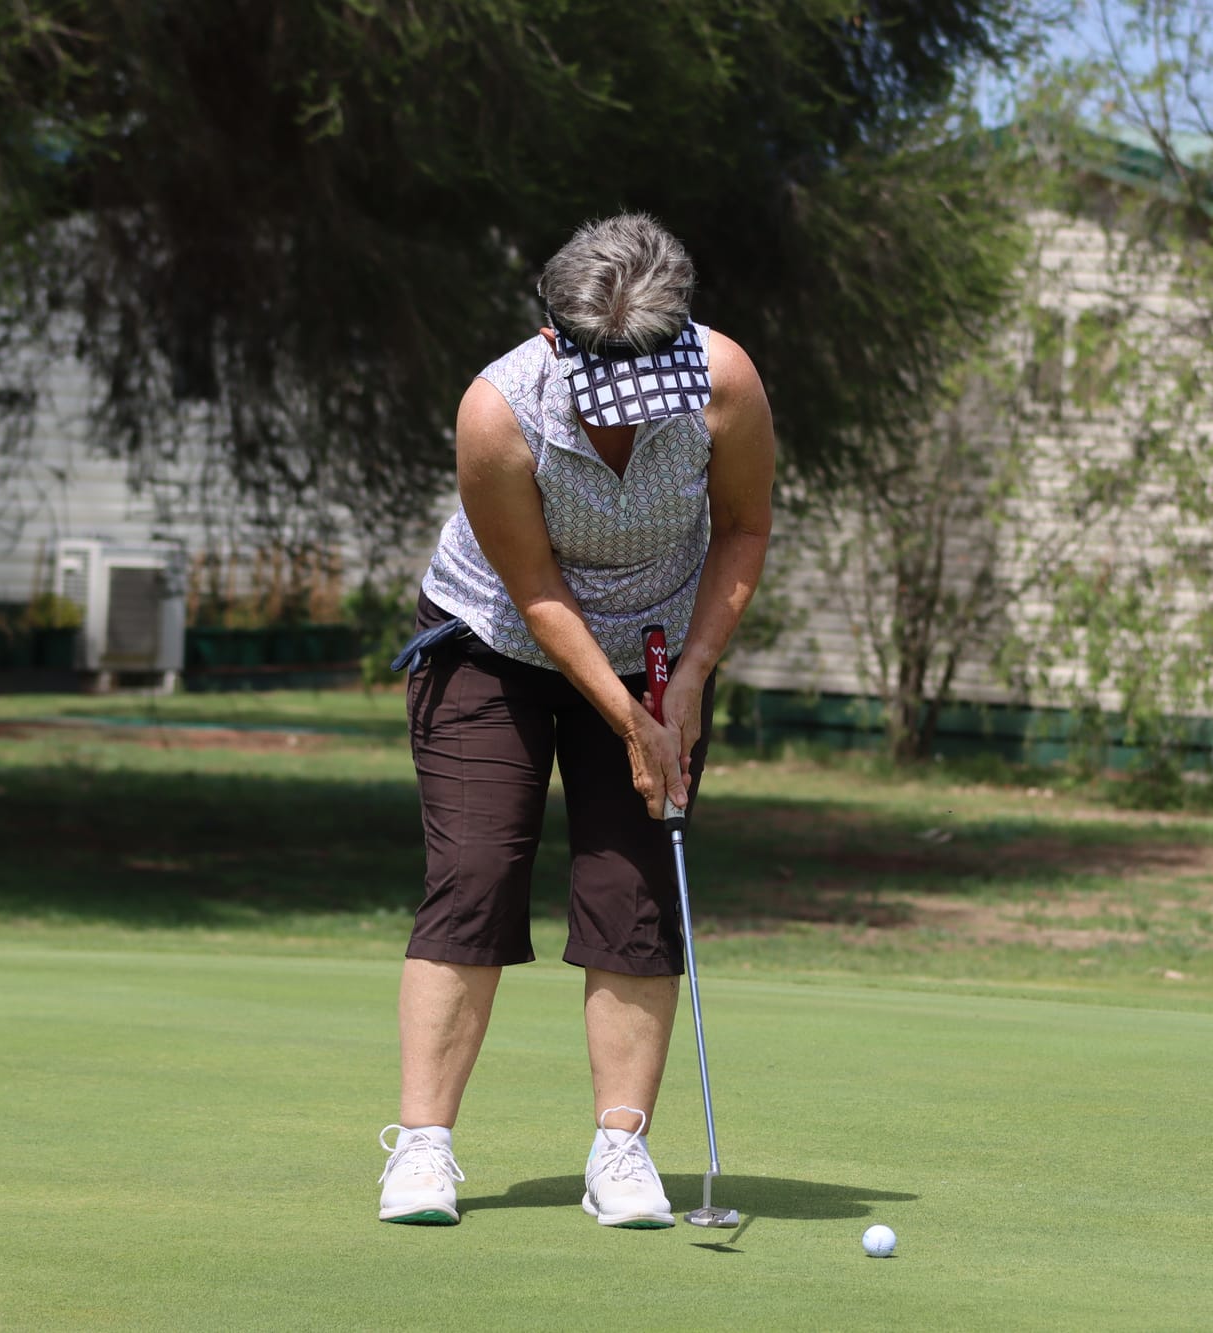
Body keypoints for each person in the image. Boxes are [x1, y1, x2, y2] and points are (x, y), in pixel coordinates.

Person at [376, 214, 775, 1229]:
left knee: (633, 883)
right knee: (474, 870)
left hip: (655, 646)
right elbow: (540, 594)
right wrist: (628, 719)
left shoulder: (720, 383)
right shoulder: (497, 411)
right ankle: (422, 1149)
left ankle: (620, 1148)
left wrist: (684, 684)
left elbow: (742, 526)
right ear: (554, 335)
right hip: (492, 639)